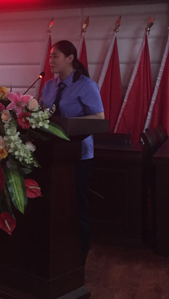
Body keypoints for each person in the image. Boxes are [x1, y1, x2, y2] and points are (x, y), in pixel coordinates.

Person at [39, 40, 104, 263]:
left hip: (78, 155)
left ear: (70, 58)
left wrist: (69, 124)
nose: (51, 61)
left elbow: (99, 118)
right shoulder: (49, 85)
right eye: (50, 57)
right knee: (54, 205)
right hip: (51, 154)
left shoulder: (86, 85)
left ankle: (80, 253)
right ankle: (56, 251)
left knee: (77, 205)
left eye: (55, 56)